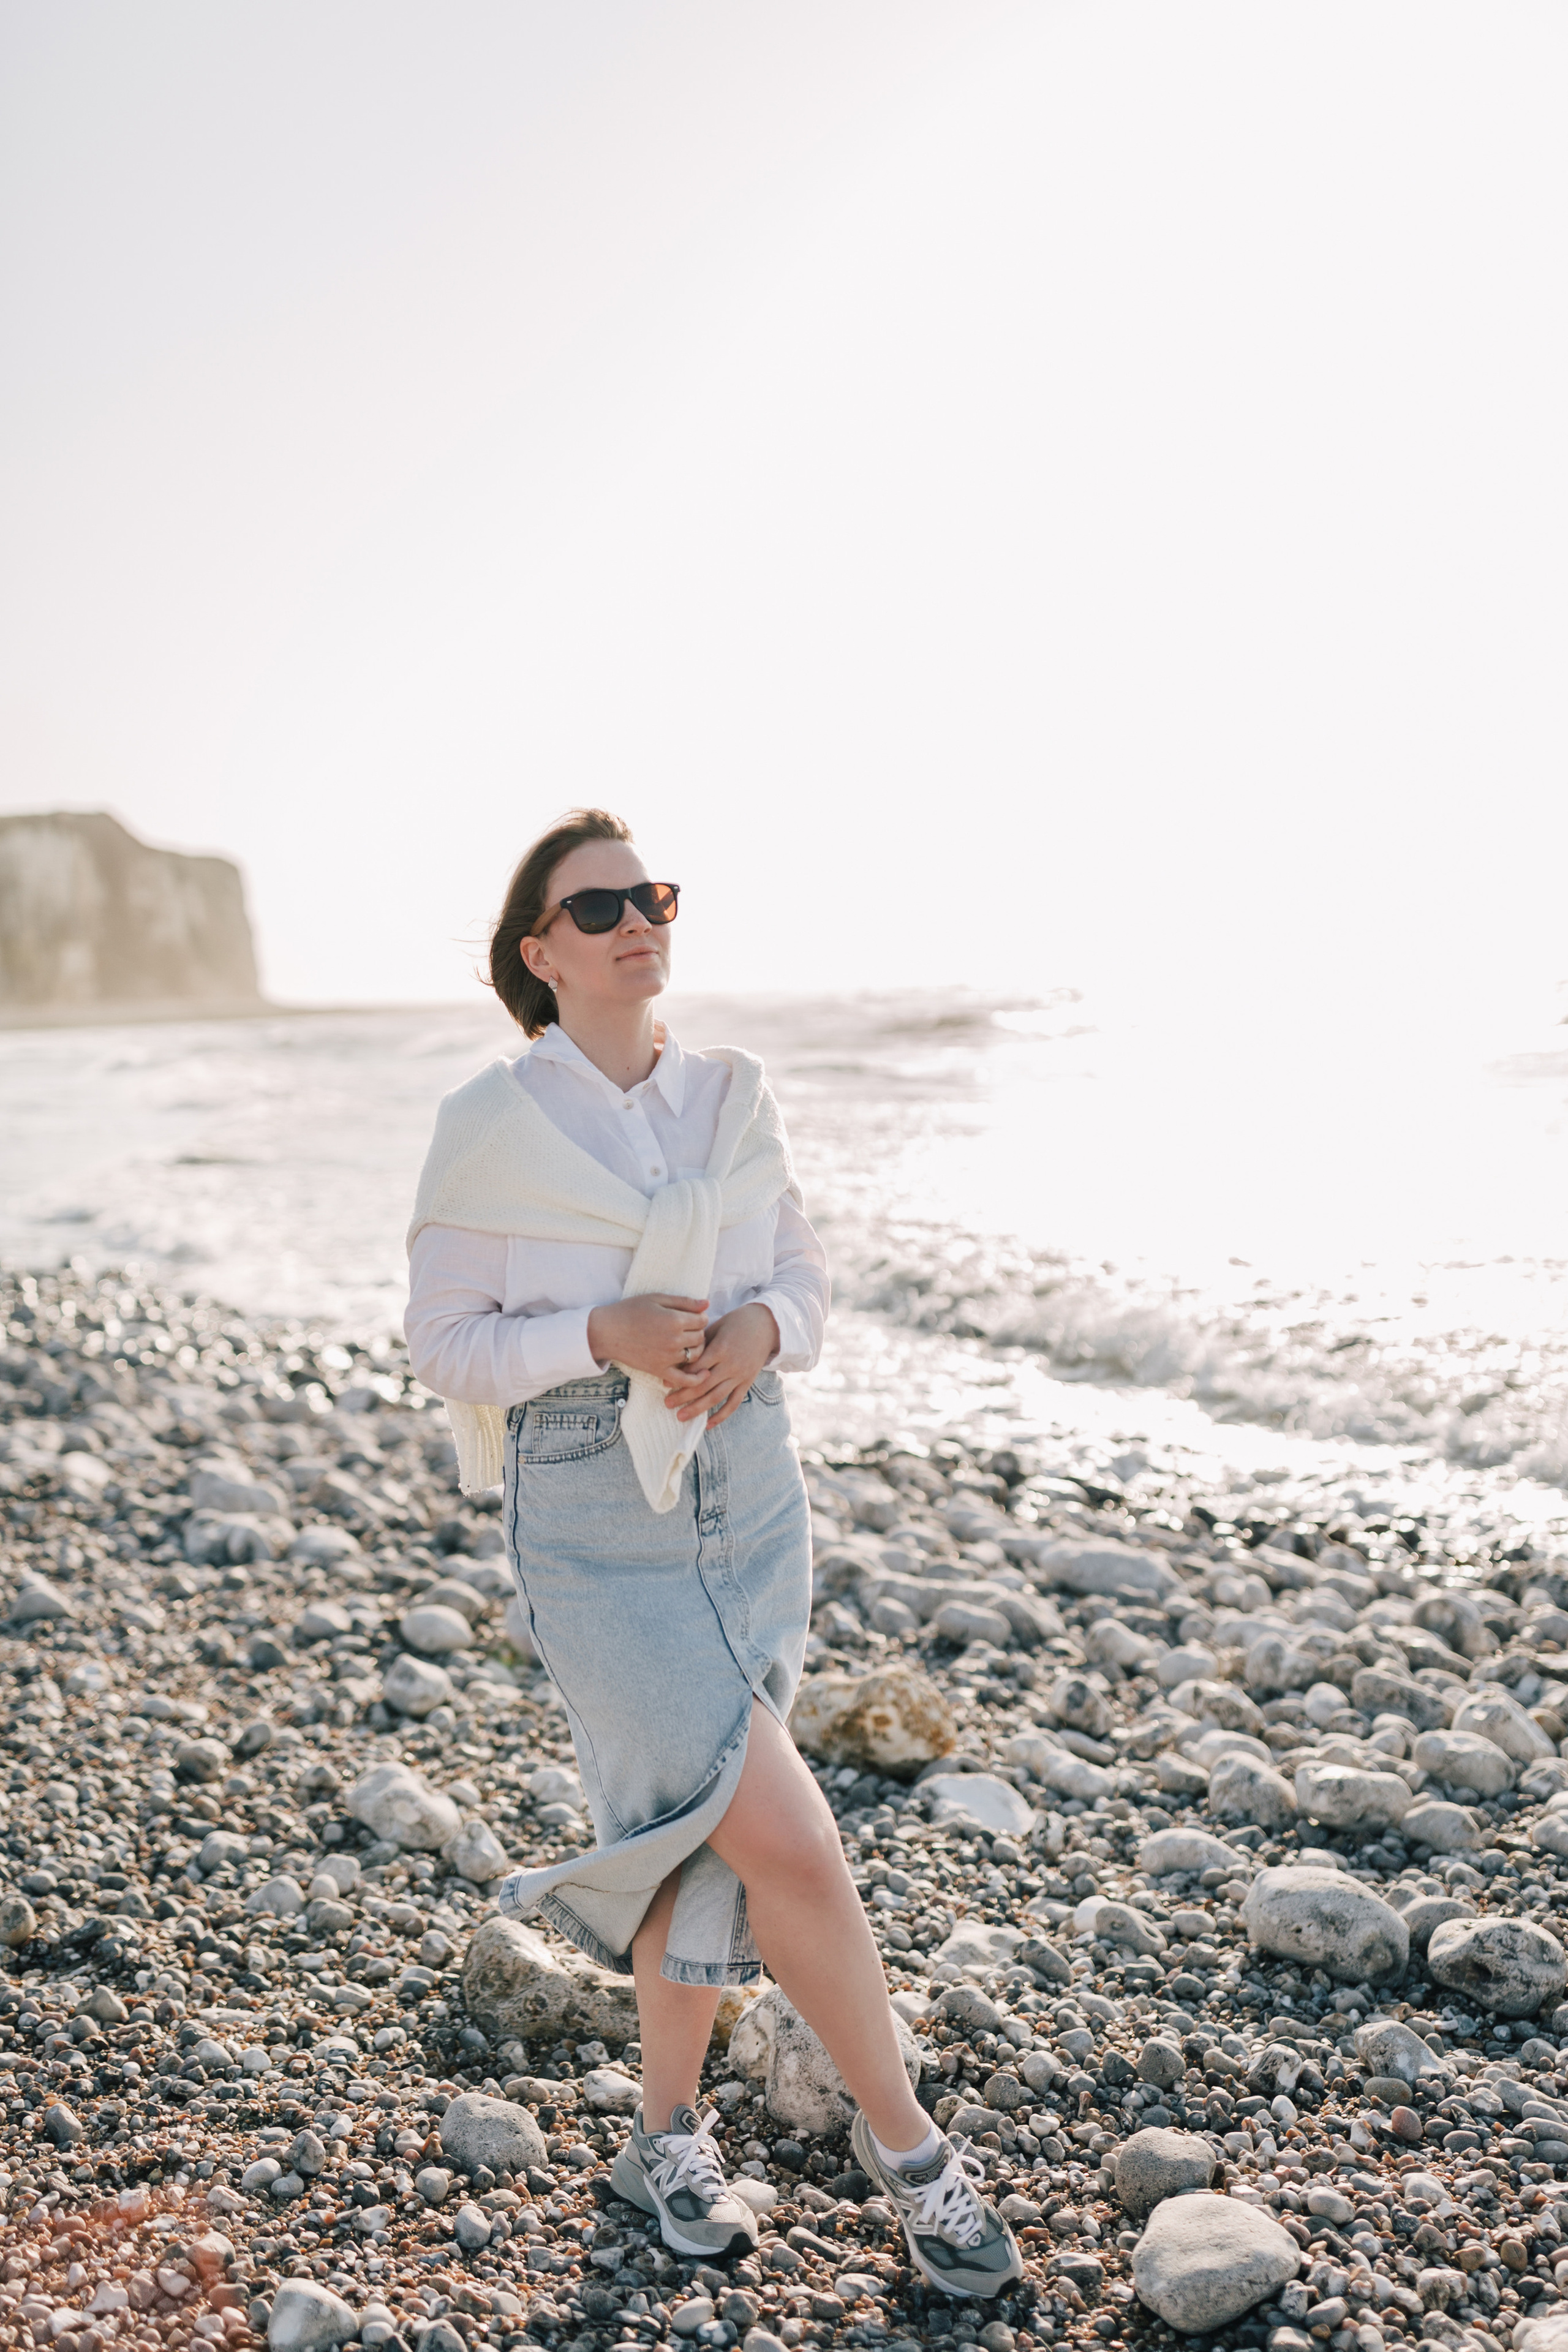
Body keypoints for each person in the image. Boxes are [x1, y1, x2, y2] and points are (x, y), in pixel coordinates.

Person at [404, 809, 1022, 2300]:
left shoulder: (732, 1096)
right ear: (538, 953)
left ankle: (664, 2139)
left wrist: (758, 1330)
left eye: (652, 895)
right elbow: (441, 1347)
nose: (636, 920)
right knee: (787, 1836)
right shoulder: (489, 1126)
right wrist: (592, 1336)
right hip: (589, 1508)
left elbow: (800, 1281)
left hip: (747, 1489)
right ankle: (912, 2151)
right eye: (597, 904)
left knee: (700, 1827)